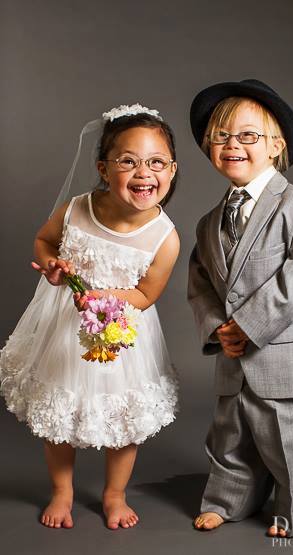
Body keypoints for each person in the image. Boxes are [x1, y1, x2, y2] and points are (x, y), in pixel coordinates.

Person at [0, 103, 180, 530]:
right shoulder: (77, 208)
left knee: (124, 418)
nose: (144, 173)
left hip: (119, 332)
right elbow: (44, 241)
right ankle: (61, 491)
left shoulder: (164, 237)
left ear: (171, 171)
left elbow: (146, 293)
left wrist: (103, 296)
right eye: (128, 162)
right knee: (58, 409)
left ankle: (114, 494)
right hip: (63, 327)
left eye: (156, 163)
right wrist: (53, 267)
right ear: (103, 167)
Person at [188, 79, 293, 537]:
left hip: (282, 350)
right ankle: (228, 499)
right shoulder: (209, 222)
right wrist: (218, 328)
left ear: (275, 146)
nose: (232, 145)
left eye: (247, 136)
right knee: (231, 436)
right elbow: (201, 284)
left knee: (285, 437)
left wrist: (248, 326)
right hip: (233, 354)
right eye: (221, 137)